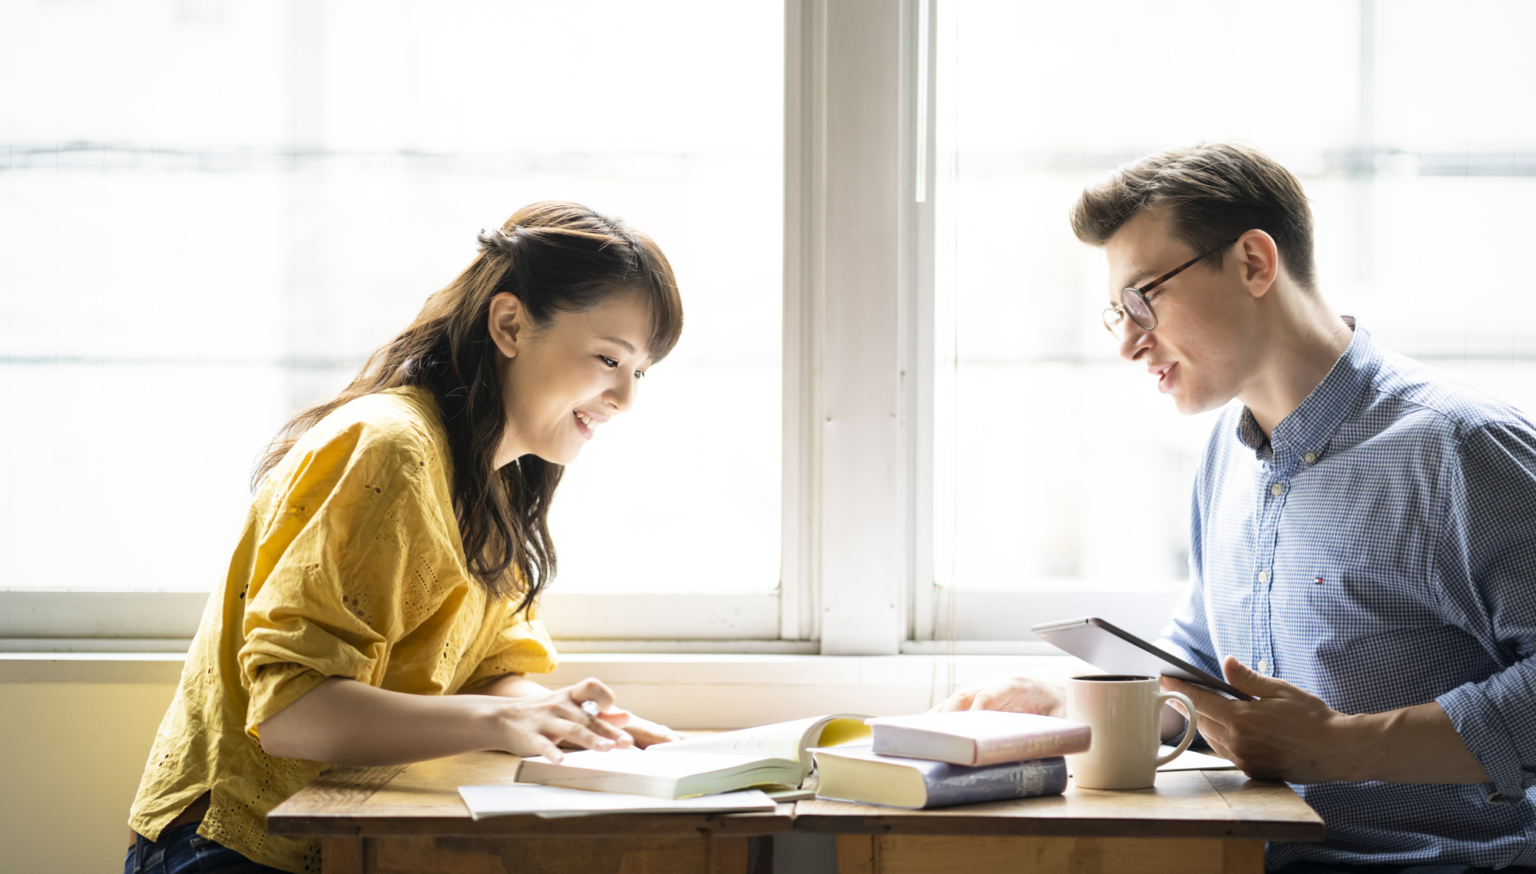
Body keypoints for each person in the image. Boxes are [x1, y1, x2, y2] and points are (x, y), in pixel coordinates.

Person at [936, 143, 1536, 872]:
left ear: (1254, 262)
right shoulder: (1228, 451)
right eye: (1115, 313)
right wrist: (1065, 700)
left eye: (1142, 298)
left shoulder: (1461, 449)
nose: (1127, 341)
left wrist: (1339, 747)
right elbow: (1205, 675)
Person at [125, 201, 686, 874]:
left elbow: (487, 675)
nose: (625, 398)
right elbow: (292, 715)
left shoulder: (497, 481)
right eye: (607, 358)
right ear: (510, 324)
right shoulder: (391, 448)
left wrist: (579, 725)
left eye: (640, 372)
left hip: (341, 843)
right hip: (227, 849)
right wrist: (504, 724)